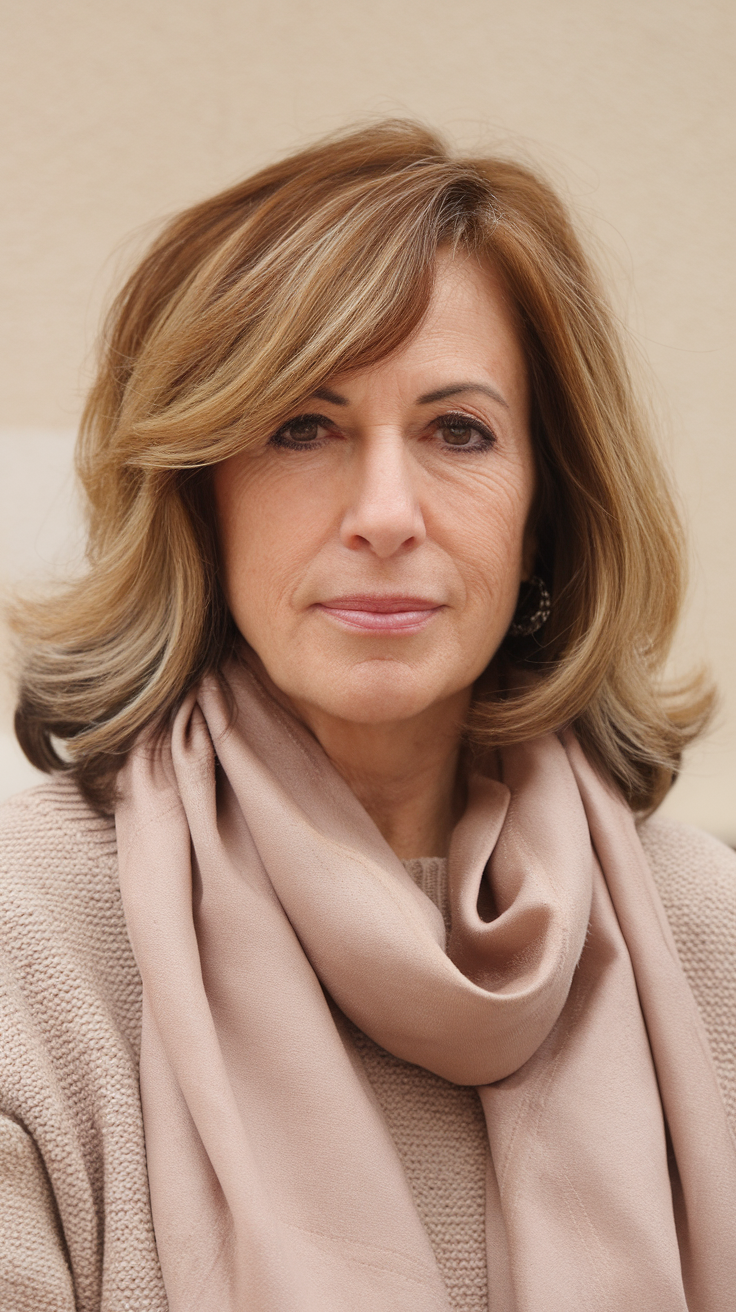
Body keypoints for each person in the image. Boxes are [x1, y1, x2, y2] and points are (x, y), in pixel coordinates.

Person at [1, 120, 735, 1312]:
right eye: (302, 427)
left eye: (458, 430)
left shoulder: (709, 937)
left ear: (543, 509)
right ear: (198, 499)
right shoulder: (27, 936)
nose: (385, 512)